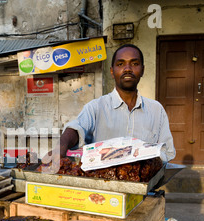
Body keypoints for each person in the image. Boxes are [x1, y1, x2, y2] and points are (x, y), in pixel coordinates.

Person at [44, 43, 176, 166]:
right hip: (103, 187)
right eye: (120, 64)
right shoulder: (96, 107)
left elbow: (167, 151)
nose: (128, 69)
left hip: (144, 187)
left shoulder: (156, 110)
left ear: (142, 70)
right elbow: (76, 127)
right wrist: (60, 147)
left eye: (134, 63)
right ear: (112, 72)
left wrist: (143, 161)